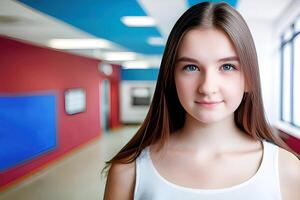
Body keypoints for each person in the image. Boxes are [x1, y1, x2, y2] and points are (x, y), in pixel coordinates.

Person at [103, 2, 300, 200]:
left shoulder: (287, 170)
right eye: (191, 67)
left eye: (228, 67)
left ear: (249, 79)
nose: (207, 87)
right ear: (171, 78)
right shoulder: (129, 172)